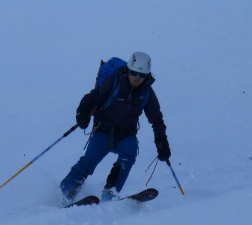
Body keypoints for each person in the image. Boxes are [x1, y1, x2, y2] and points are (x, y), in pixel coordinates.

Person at [60, 52, 171, 203]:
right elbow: (92, 98)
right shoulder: (114, 82)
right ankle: (65, 193)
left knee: (129, 153)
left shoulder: (147, 93)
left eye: (142, 74)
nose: (137, 77)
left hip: (125, 135)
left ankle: (110, 192)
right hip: (103, 131)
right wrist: (82, 114)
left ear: (147, 75)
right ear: (128, 70)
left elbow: (156, 119)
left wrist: (161, 141)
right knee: (89, 161)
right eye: (134, 72)